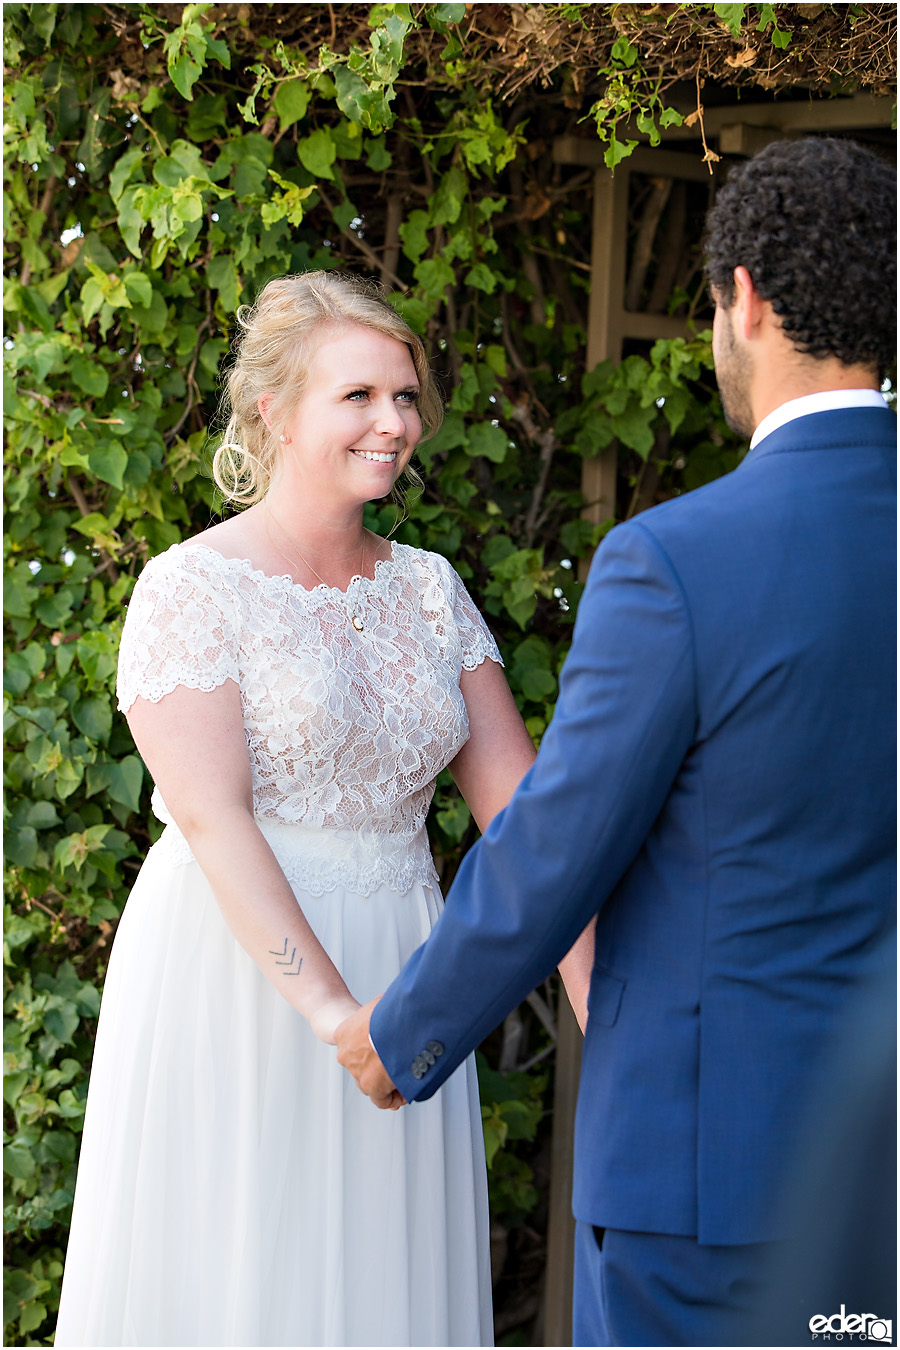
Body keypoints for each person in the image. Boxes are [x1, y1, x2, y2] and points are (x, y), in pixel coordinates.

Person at [336, 137, 897, 1346]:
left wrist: (400, 1038)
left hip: (716, 1185)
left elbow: (555, 849)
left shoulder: (678, 561)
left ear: (742, 298)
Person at [54, 271, 544, 1347]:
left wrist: (590, 975)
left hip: (409, 963)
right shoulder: (192, 589)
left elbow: (530, 821)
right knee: (243, 1270)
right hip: (240, 973)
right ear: (272, 410)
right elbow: (215, 820)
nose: (395, 423)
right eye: (359, 396)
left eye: (406, 396)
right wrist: (333, 1017)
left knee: (382, 1281)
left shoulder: (430, 589)